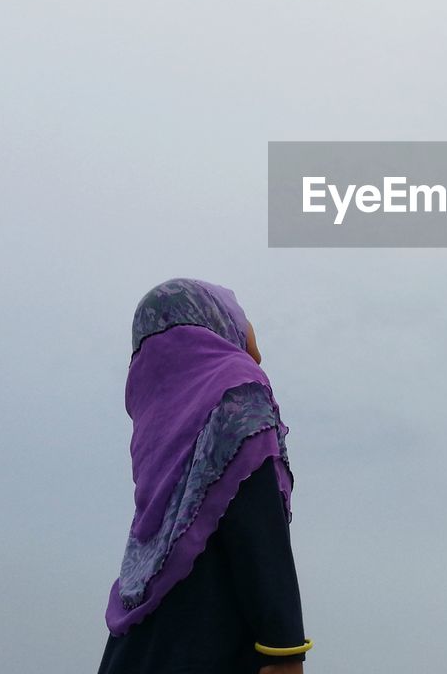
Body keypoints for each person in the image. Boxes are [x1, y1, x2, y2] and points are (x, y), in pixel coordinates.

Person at [98, 278, 309, 674]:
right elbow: (257, 527)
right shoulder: (234, 391)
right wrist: (285, 650)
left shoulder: (157, 411)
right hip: (214, 646)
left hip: (135, 649)